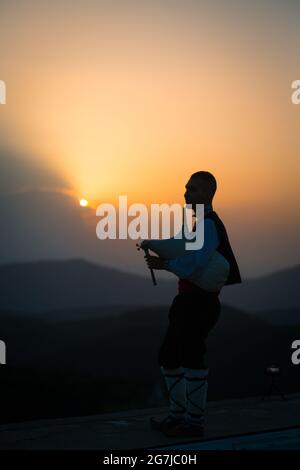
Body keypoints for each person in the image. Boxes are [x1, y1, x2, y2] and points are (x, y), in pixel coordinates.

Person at [145, 171, 242, 437]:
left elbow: (198, 263)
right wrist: (156, 248)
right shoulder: (198, 223)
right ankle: (179, 417)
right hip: (188, 300)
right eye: (187, 188)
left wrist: (164, 264)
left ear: (209, 193)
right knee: (169, 356)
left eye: (195, 189)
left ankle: (193, 423)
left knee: (190, 356)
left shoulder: (208, 224)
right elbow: (183, 251)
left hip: (200, 303)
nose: (187, 193)